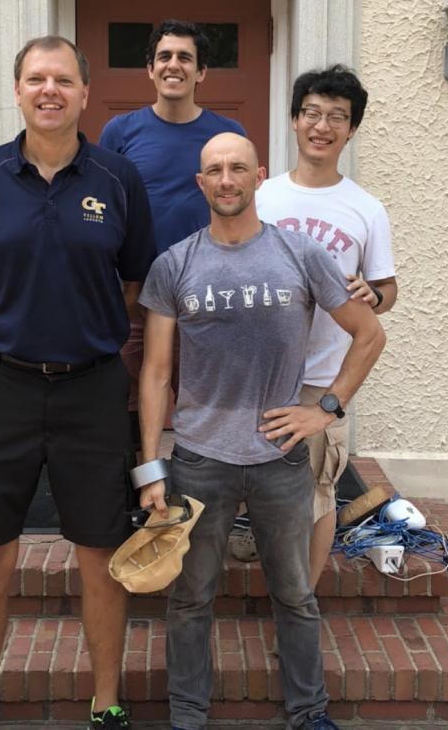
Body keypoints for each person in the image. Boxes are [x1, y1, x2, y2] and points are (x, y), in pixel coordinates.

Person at [0, 35, 156, 730]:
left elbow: (131, 284)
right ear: (18, 90)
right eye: (36, 78)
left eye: (63, 78)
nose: (50, 90)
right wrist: (13, 335)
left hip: (92, 389)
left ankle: (106, 699)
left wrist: (75, 334)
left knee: (101, 552)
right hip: (0, 387)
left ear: (86, 93)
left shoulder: (119, 179)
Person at [136, 132, 386, 730]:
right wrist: (150, 468)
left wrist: (326, 408)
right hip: (199, 459)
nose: (226, 179)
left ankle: (308, 711)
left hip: (280, 456)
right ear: (202, 183)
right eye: (215, 170)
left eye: (238, 169)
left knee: (295, 595)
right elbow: (155, 371)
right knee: (191, 597)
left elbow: (369, 332)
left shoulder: (301, 255)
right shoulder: (176, 264)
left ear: (258, 177)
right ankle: (187, 716)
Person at [252, 65, 397, 585]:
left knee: (316, 496)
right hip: (259, 372)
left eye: (337, 117)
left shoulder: (366, 209)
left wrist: (373, 294)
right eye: (312, 113)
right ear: (294, 120)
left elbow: (386, 291)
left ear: (351, 129)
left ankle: (301, 606)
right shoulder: (262, 195)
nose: (323, 125)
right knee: (258, 484)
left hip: (322, 378)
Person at [98, 19, 245, 425]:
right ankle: (135, 488)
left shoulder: (227, 134)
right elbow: (102, 214)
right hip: (135, 299)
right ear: (150, 68)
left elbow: (244, 212)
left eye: (185, 57)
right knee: (126, 407)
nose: (173, 65)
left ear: (200, 72)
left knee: (210, 410)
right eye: (164, 56)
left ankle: (198, 489)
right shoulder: (120, 132)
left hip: (208, 296)